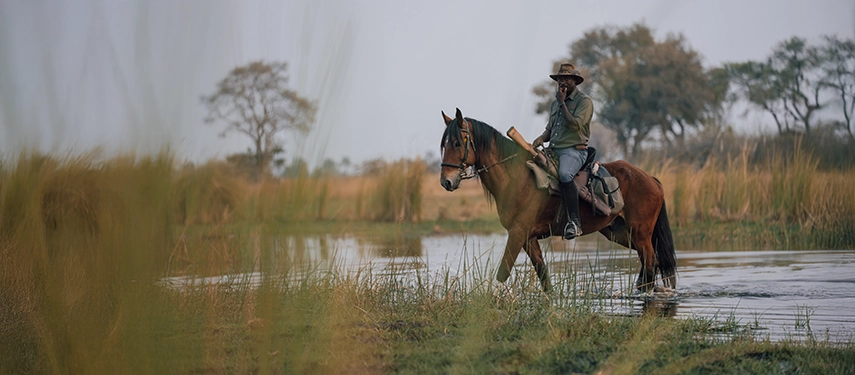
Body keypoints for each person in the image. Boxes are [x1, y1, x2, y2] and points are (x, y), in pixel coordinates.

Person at [531, 63, 593, 240]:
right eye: (559, 79)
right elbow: (549, 131)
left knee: (565, 175)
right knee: (532, 170)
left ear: (575, 81)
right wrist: (539, 140)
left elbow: (575, 126)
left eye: (566, 78)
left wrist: (562, 103)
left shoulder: (584, 101)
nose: (562, 81)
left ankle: (575, 222)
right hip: (554, 150)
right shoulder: (554, 103)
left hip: (574, 151)